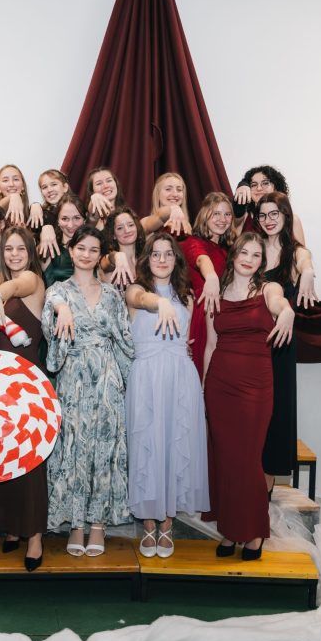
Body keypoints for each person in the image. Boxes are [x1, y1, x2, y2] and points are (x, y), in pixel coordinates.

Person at [42, 226, 134, 557]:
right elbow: (50, 328)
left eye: (94, 250)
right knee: (74, 447)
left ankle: (98, 524)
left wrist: (127, 382)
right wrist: (61, 308)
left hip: (107, 379)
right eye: (81, 248)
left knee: (104, 448)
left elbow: (124, 340)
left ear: (100, 255)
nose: (86, 254)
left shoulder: (112, 294)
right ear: (70, 250)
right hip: (72, 379)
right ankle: (76, 524)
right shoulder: (58, 291)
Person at [202, 232, 294, 560]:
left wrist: (287, 311)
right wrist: (204, 388)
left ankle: (254, 531)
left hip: (256, 385)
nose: (249, 259)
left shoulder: (268, 289)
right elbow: (211, 345)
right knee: (226, 459)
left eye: (256, 255)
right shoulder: (216, 292)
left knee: (249, 459)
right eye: (244, 252)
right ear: (234, 254)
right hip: (219, 385)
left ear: (261, 262)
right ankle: (230, 530)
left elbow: (279, 303)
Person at [124, 233, 209, 558]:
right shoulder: (135, 291)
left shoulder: (187, 297)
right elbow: (141, 301)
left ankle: (168, 524)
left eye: (168, 254)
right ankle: (149, 524)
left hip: (180, 377)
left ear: (176, 260)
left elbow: (186, 338)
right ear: (146, 259)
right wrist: (159, 303)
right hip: (146, 378)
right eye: (155, 254)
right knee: (147, 447)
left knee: (175, 445)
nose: (161, 259)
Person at [0, 226, 48, 571]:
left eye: (21, 248)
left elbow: (15, 286)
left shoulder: (31, 280)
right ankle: (13, 526)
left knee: (30, 462)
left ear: (30, 252)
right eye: (9, 249)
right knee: (4, 457)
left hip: (26, 383)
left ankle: (34, 536)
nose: (15, 254)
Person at [254, 193, 317, 498]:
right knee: (252, 412)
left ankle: (265, 490)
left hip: (279, 344)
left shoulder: (295, 253)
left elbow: (306, 260)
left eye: (274, 214)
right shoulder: (252, 249)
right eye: (263, 215)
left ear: (285, 215)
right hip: (252, 341)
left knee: (276, 412)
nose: (268, 220)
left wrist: (308, 272)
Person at [178, 192, 234, 380]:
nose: (222, 219)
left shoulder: (227, 250)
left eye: (227, 214)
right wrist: (211, 277)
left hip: (224, 318)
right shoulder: (192, 242)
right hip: (204, 315)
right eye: (216, 213)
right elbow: (202, 259)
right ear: (205, 214)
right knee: (201, 376)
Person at [232, 165, 307, 243]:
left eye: (265, 183)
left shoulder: (293, 220)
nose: (259, 188)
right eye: (253, 185)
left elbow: (301, 249)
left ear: (276, 187)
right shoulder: (243, 217)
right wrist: (242, 184)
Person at [41, 194, 86, 287]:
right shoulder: (50, 249)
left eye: (77, 218)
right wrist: (45, 229)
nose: (70, 225)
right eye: (65, 219)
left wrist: (116, 256)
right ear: (57, 220)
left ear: (84, 220)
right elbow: (38, 253)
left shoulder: (93, 248)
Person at [100, 207, 146, 287]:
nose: (127, 230)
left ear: (136, 227)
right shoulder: (112, 261)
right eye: (120, 228)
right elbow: (105, 263)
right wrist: (116, 256)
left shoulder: (144, 259)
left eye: (131, 225)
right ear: (113, 235)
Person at [140, 172, 191, 236]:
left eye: (179, 190)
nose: (175, 194)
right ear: (157, 194)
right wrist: (173, 208)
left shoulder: (187, 225)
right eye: (168, 189)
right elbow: (160, 216)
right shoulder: (145, 222)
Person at [0, 164, 43, 229]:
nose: (11, 184)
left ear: (23, 186)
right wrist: (13, 196)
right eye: (5, 180)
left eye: (16, 179)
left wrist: (36, 205)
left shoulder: (32, 213)